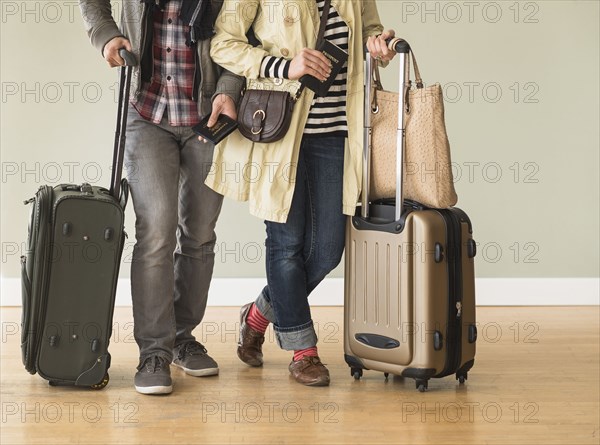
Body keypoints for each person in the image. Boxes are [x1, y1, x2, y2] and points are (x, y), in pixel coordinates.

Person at [206, 0, 397, 386]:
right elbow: (222, 43)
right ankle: (303, 351)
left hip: (337, 132)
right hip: (280, 127)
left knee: (328, 250)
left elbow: (368, 32)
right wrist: (284, 66)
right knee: (286, 242)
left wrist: (380, 45)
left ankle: (258, 315)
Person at [79, 0, 244, 395]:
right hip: (147, 111)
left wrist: (228, 88)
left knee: (200, 235)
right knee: (155, 233)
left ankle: (182, 338)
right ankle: (154, 350)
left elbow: (245, 24)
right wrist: (105, 36)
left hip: (209, 112)